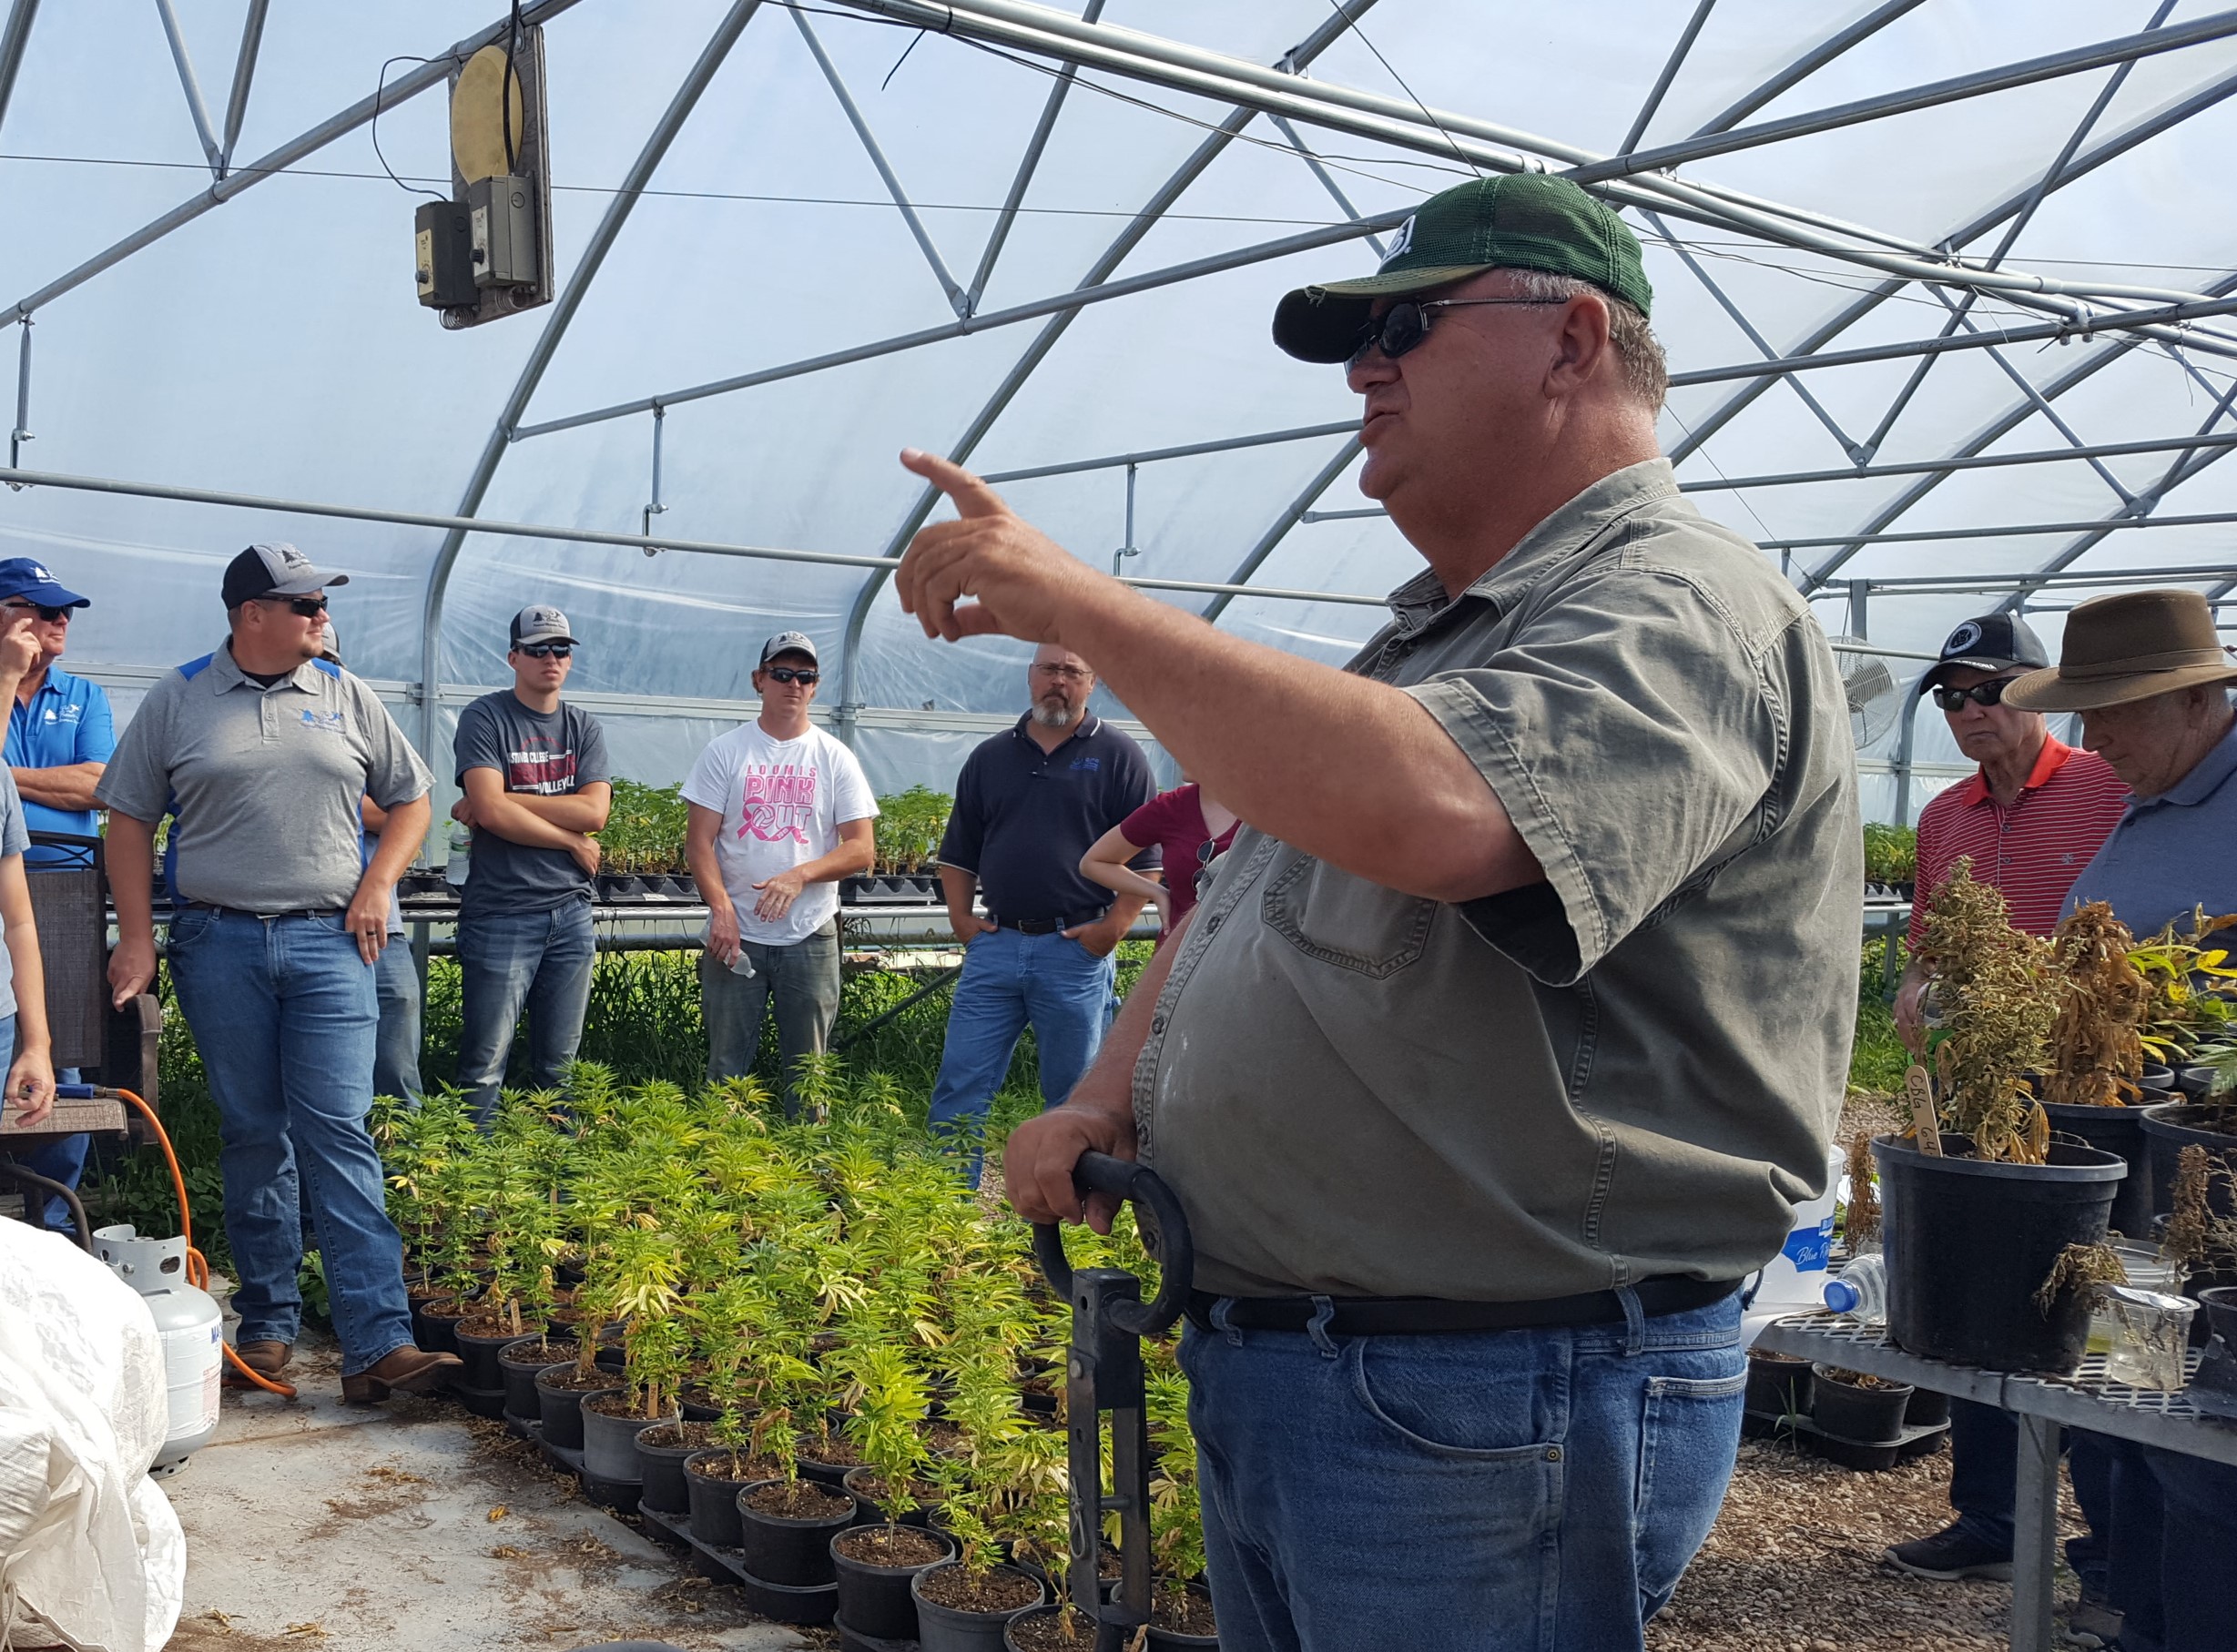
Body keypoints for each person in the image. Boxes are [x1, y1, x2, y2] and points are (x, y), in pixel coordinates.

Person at [900, 172, 1859, 1652]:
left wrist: (1084, 607)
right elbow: (1243, 906)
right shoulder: (1434, 636)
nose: (1365, 369)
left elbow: (1445, 817)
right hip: (1346, 1376)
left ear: (1572, 339)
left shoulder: (1681, 605)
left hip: (1490, 1393)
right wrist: (1109, 1098)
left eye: (1405, 325)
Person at [98, 542, 457, 1404]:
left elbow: (413, 798)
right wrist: (138, 938)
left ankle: (378, 1344)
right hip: (217, 943)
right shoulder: (180, 698)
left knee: (338, 1128)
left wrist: (378, 885)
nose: (319, 616)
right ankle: (266, 1324)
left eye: (319, 603)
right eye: (303, 604)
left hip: (334, 944)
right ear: (249, 613)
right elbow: (128, 819)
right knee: (255, 1131)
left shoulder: (343, 693)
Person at [1880, 613, 2131, 1607]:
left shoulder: (2110, 791)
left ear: (2039, 691)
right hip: (1984, 1079)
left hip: (2091, 1088)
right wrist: (1917, 980)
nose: (1968, 711)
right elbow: (1934, 938)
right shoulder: (1945, 817)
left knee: (2097, 1300)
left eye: (1987, 689)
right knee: (1981, 1286)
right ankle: (1993, 1520)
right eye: (1950, 696)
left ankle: (2115, 1552)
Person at [2002, 588, 2237, 1652]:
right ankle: (2138, 1612)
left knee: (2208, 1458)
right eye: (2085, 716)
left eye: (2116, 714)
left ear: (2196, 699)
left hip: (2215, 1179)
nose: (2094, 742)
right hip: (2143, 1181)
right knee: (2144, 1413)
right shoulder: (2154, 797)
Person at [924, 644, 1155, 1173]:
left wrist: (1113, 928)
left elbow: (1147, 860)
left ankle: (1070, 1206)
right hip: (997, 946)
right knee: (961, 1081)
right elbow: (958, 851)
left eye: (1073, 671)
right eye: (1049, 669)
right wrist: (963, 920)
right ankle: (945, 1205)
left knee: (1076, 1094)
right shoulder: (991, 757)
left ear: (1091, 683)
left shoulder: (1120, 757)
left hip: (1074, 952)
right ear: (1030, 677)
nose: (1059, 681)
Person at [681, 632, 875, 1114]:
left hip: (809, 935)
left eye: (804, 676)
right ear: (759, 680)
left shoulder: (835, 758)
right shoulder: (726, 752)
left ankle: (807, 1172)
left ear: (815, 687)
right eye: (782, 674)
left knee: (809, 1071)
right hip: (736, 936)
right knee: (726, 1066)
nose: (793, 683)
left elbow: (861, 849)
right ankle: (723, 1169)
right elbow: (698, 843)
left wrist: (800, 875)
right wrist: (721, 910)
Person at [449, 606, 610, 1121]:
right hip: (501, 911)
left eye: (560, 649)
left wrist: (503, 799)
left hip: (570, 912)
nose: (551, 659)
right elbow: (491, 814)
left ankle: (557, 1181)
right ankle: (473, 1188)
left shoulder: (583, 726)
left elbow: (595, 812)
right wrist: (570, 841)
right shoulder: (485, 717)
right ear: (513, 656)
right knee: (484, 1062)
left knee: (561, 1067)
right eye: (538, 649)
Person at [0, 560, 110, 1232]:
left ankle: (57, 1227)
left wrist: (7, 776)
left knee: (59, 1053)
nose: (57, 621)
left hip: (62, 894)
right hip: (13, 882)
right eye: (39, 609)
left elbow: (99, 783)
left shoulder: (84, 694)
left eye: (64, 610)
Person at [321, 623, 422, 1103]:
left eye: (330, 663)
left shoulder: (359, 715)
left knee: (396, 1058)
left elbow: (410, 813)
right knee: (324, 1070)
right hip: (312, 924)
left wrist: (337, 798)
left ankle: (409, 1167)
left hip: (383, 923)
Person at [1078, 779, 1237, 942]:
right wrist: (1157, 892)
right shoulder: (1171, 806)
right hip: (1176, 954)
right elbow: (1093, 862)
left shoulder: (1261, 809)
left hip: (1246, 955)